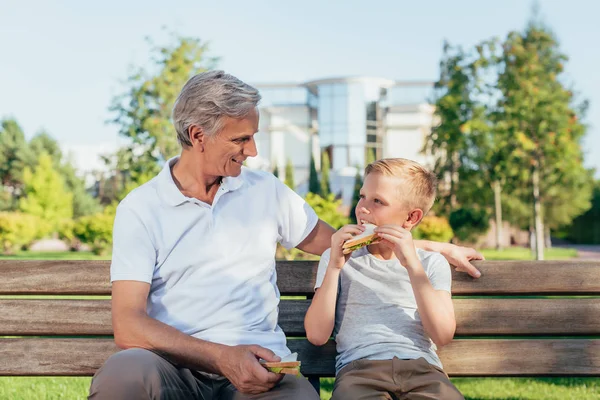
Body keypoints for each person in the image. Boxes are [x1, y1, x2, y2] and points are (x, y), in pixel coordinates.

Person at [89, 71, 481, 400]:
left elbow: (340, 240)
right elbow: (129, 324)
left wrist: (426, 246)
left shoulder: (265, 190)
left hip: (262, 368)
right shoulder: (141, 208)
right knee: (124, 374)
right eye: (241, 139)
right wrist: (222, 356)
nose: (253, 150)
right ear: (198, 135)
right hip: (173, 367)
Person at [305, 158, 465, 400]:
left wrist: (412, 265)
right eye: (362, 196)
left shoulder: (430, 263)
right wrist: (335, 268)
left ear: (411, 218)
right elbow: (317, 335)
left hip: (424, 370)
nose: (362, 208)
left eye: (377, 201)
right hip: (359, 371)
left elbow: (442, 335)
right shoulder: (336, 258)